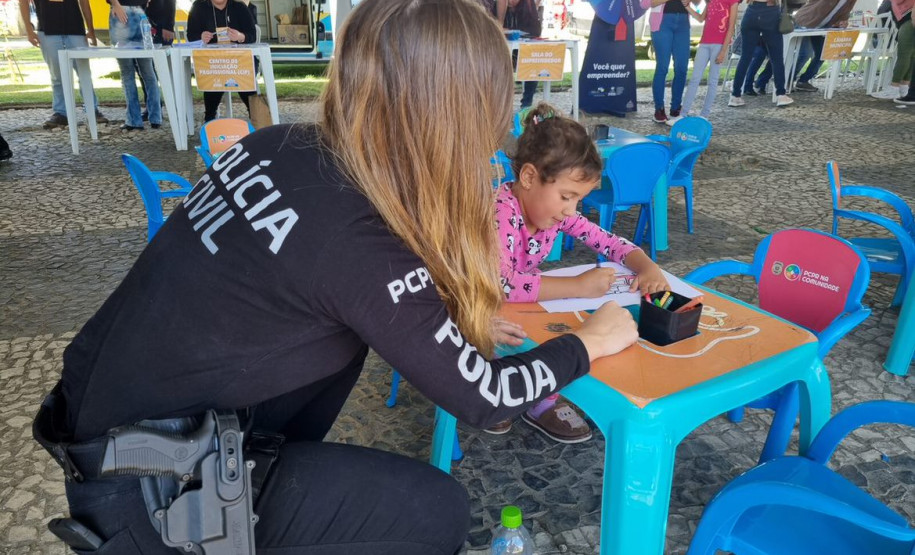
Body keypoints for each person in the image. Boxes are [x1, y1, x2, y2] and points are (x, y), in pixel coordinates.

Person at [32, 1, 640, 553]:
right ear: (457, 116)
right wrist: (587, 344)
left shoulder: (278, 143)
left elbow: (333, 285)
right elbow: (483, 397)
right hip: (156, 497)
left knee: (338, 346)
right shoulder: (361, 239)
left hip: (103, 429)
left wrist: (447, 315)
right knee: (434, 512)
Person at [491, 103, 667, 443]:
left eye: (578, 200)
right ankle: (502, 390)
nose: (570, 211)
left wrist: (646, 265)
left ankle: (538, 395)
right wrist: (577, 286)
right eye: (566, 197)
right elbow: (501, 283)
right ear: (528, 177)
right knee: (513, 338)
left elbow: (609, 242)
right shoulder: (500, 211)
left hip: (519, 307)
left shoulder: (559, 210)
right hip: (474, 308)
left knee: (559, 329)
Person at [18, 0, 108, 129]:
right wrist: (29, 30)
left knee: (84, 73)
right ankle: (61, 113)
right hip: (47, 29)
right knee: (57, 75)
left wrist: (91, 29)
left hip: (76, 29)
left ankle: (92, 110)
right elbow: (23, 2)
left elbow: (84, 2)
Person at [186, 0, 258, 122]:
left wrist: (240, 36)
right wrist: (201, 37)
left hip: (239, 59)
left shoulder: (239, 6)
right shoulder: (199, 6)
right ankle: (210, 118)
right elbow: (191, 35)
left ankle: (257, 117)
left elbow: (252, 35)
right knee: (215, 73)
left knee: (242, 74)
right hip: (212, 60)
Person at [680, 0, 740, 120]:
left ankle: (704, 115)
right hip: (704, 43)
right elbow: (701, 18)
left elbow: (731, 26)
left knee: (712, 81)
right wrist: (687, 6)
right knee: (694, 79)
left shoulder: (733, 1)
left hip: (718, 45)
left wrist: (723, 51)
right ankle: (682, 114)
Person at [642, 0, 700, 123]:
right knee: (662, 67)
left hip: (683, 23)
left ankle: (676, 108)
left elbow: (698, 2)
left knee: (682, 68)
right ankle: (659, 109)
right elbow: (644, 3)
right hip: (662, 23)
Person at [727, 0, 794, 108]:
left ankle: (735, 95)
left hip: (751, 12)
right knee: (776, 58)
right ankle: (781, 94)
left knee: (745, 58)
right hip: (770, 11)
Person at [108, 0, 163, 130]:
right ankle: (156, 117)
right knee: (148, 71)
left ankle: (134, 120)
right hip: (141, 13)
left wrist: (115, 4)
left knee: (127, 72)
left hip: (120, 12)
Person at [791, 0, 858, 93]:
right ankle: (788, 80)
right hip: (804, 22)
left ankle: (803, 81)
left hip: (820, 27)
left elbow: (845, 13)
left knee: (822, 54)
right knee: (805, 54)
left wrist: (842, 22)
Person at [491, 0, 543, 109]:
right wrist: (501, 25)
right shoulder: (497, 9)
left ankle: (526, 104)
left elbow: (535, 31)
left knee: (534, 59)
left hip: (523, 50)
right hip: (502, 50)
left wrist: (511, 31)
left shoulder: (528, 6)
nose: (509, 2)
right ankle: (500, 104)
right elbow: (493, 29)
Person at [873, 0, 914, 99]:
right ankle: (904, 87)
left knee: (904, 55)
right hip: (907, 18)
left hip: (909, 17)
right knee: (911, 55)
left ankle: (894, 88)